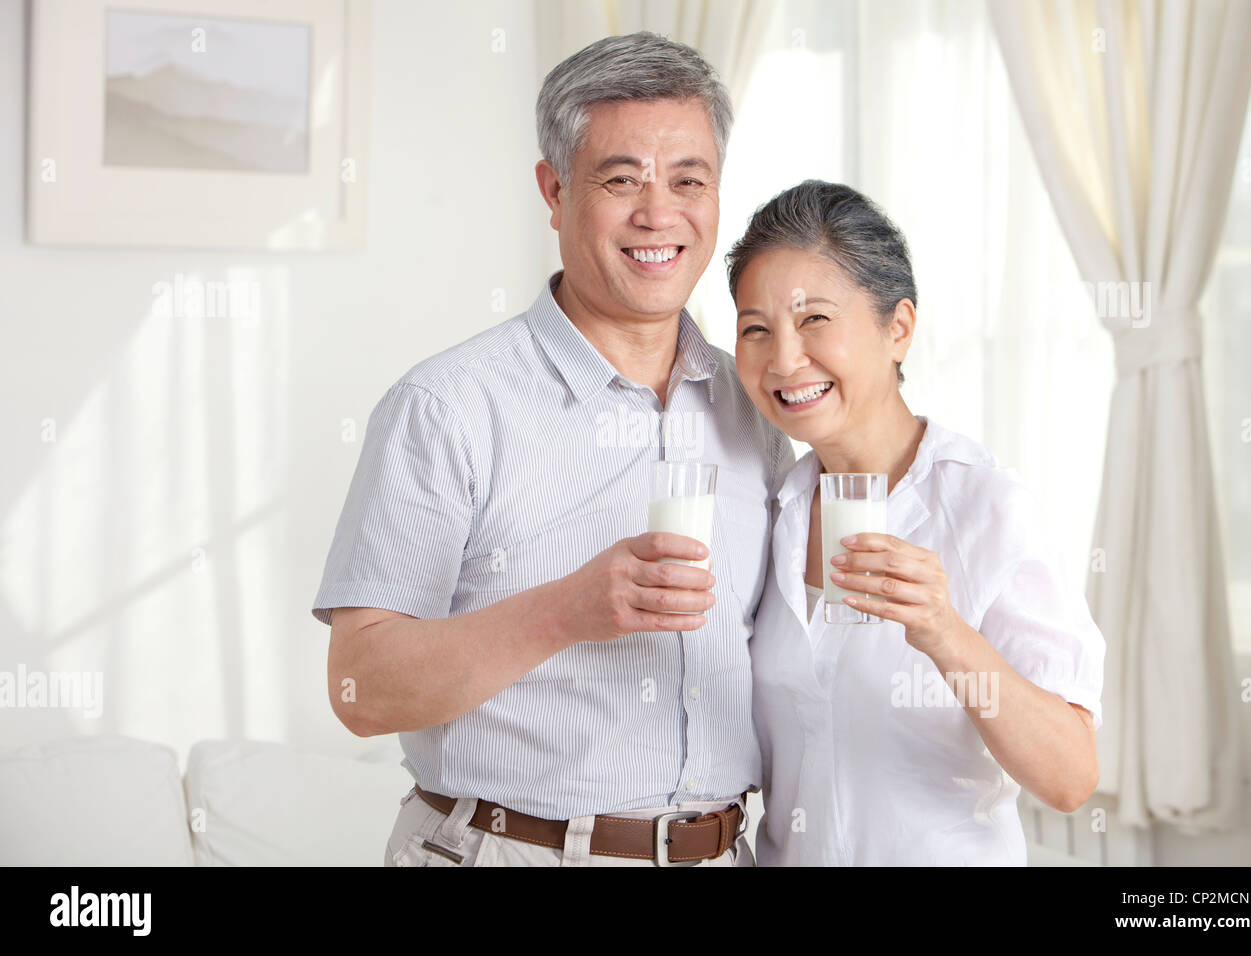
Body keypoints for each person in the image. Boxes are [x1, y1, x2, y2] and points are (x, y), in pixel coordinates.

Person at [310, 32, 792, 867]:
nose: (659, 213)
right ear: (554, 187)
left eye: (689, 180)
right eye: (620, 179)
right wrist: (566, 611)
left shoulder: (759, 410)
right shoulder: (447, 407)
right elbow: (360, 689)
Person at [727, 180, 1104, 865]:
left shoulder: (983, 505)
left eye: (815, 320)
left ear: (897, 328)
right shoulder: (766, 504)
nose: (783, 359)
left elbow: (1071, 776)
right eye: (756, 329)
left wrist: (945, 632)